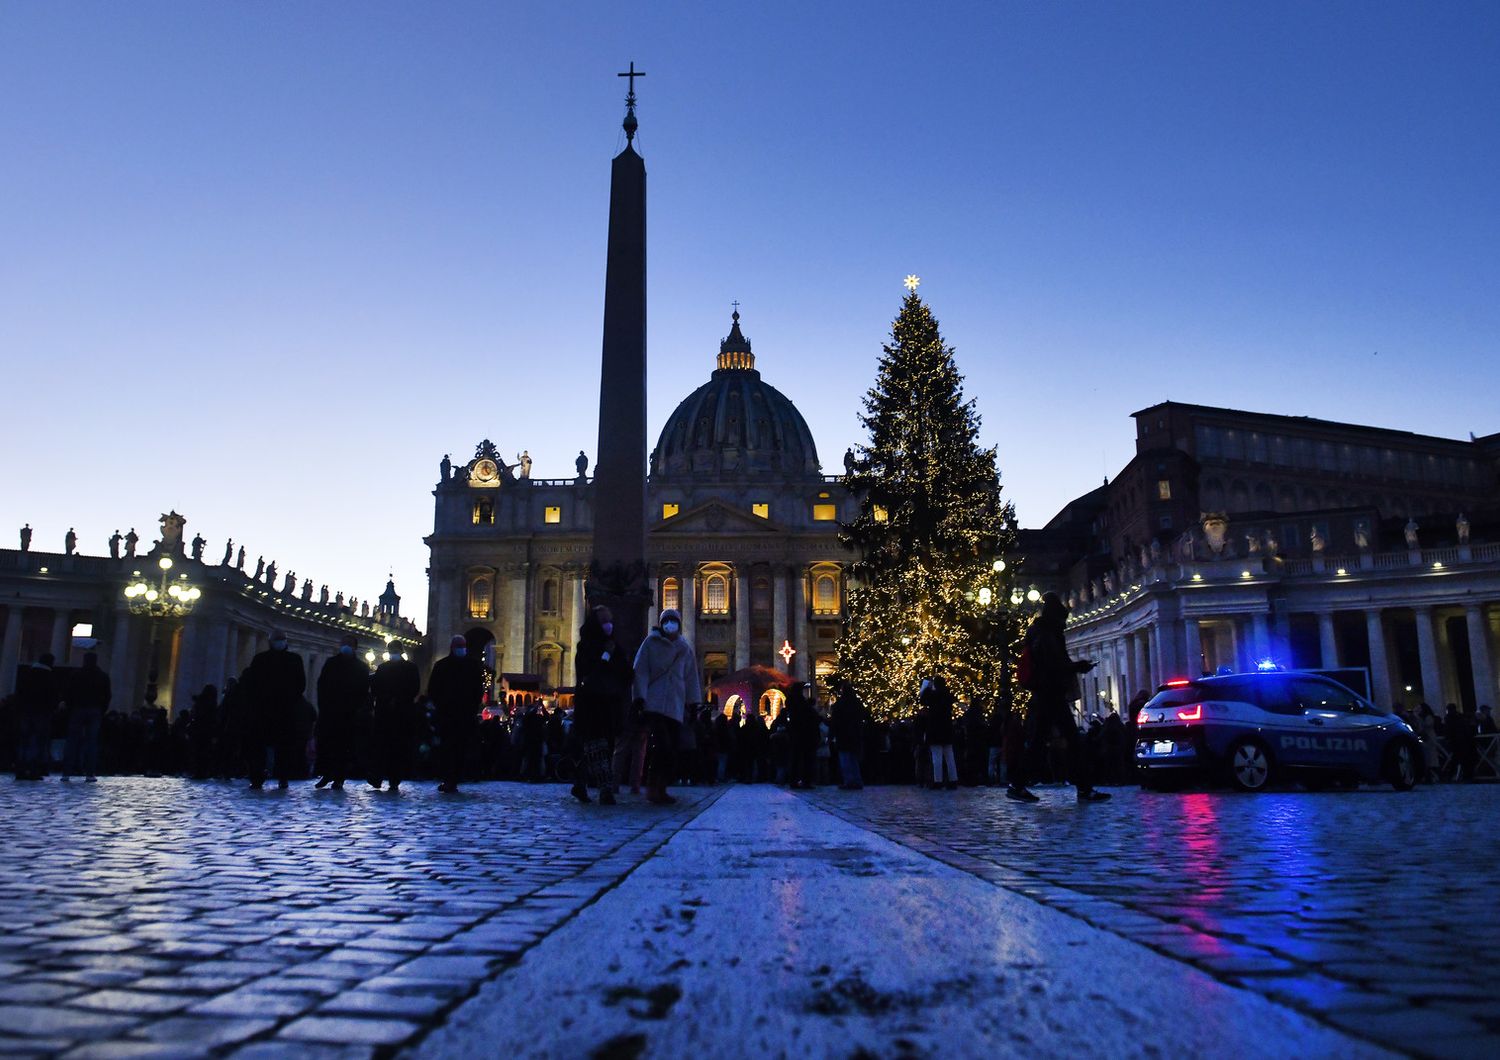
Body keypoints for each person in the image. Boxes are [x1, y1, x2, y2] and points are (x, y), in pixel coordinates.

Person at [1010, 592, 1108, 804]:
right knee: (1065, 741)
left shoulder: (1041, 633)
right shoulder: (1047, 636)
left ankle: (1019, 784)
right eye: (1062, 620)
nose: (1064, 625)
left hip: (1047, 694)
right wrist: (1078, 667)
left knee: (1050, 742)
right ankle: (1082, 788)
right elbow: (1053, 665)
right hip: (1049, 694)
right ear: (1055, 618)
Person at [631, 608, 700, 805]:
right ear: (661, 623)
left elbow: (691, 677)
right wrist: (639, 697)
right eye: (667, 620)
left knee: (671, 749)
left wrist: (693, 703)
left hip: (675, 704)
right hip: (654, 703)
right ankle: (654, 788)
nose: (670, 624)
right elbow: (640, 671)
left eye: (674, 620)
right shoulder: (650, 643)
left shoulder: (685, 648)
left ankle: (660, 787)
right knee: (663, 745)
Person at [572, 605, 629, 804]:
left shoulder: (614, 645)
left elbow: (625, 672)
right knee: (597, 746)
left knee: (598, 747)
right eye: (604, 621)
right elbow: (587, 672)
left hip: (609, 703)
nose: (608, 625)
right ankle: (606, 789)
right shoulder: (585, 646)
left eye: (610, 621)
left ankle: (580, 784)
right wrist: (605, 657)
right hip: (591, 703)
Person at [243, 631, 306, 789]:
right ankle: (278, 776)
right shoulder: (293, 660)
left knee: (268, 746)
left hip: (268, 708)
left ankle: (262, 777)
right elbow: (301, 684)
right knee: (279, 746)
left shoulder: (261, 659)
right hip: (278, 709)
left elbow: (251, 683)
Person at [427, 635, 483, 793]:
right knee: (458, 748)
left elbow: (432, 690)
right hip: (461, 715)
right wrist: (472, 707)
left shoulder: (441, 665)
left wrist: (440, 706)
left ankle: (450, 779)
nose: (461, 648)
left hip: (448, 715)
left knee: (449, 748)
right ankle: (453, 779)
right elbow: (479, 690)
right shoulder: (473, 665)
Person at [314, 634, 369, 790]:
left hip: (349, 713)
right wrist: (323, 705)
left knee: (343, 747)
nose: (345, 646)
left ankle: (339, 777)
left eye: (349, 644)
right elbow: (321, 685)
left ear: (355, 647)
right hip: (330, 711)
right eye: (343, 643)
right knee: (326, 745)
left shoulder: (361, 667)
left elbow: (364, 691)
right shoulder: (330, 663)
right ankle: (326, 774)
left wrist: (357, 708)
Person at [369, 642, 421, 791]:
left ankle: (393, 779)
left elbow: (414, 688)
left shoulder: (408, 668)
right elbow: (375, 689)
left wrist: (395, 699)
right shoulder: (384, 668)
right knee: (383, 747)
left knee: (395, 748)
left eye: (394, 650)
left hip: (399, 713)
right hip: (388, 713)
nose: (392, 652)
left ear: (400, 651)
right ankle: (379, 777)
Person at [60, 652, 110, 783]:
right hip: (95, 709)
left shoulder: (76, 675)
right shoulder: (102, 676)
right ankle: (90, 773)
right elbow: (107, 695)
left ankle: (66, 772)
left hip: (78, 709)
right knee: (91, 743)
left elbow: (68, 692)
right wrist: (102, 709)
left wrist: (71, 707)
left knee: (72, 742)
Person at [15, 654, 59, 779]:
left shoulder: (27, 674)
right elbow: (53, 696)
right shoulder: (50, 677)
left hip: (26, 711)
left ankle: (20, 769)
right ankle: (34, 770)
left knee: (24, 741)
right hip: (42, 712)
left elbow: (19, 693)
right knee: (38, 742)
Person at [920, 675, 959, 790]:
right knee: (950, 756)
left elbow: (922, 700)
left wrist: (927, 687)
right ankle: (953, 780)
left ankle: (938, 781)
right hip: (947, 729)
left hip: (935, 729)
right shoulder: (947, 694)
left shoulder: (933, 695)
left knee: (937, 757)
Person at [785, 681, 821, 789]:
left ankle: (795, 780)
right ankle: (805, 781)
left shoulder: (792, 700)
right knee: (806, 759)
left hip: (797, 733)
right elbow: (805, 713)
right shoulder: (799, 701)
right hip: (804, 733)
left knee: (796, 758)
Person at [831, 680, 866, 789]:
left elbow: (835, 721)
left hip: (843, 736)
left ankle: (849, 781)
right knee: (854, 760)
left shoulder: (839, 705)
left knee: (845, 760)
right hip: (855, 735)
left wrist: (832, 734)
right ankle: (856, 780)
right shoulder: (857, 703)